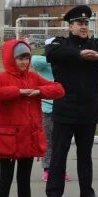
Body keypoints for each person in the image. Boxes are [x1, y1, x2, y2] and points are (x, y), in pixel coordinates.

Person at [0, 40, 65, 197]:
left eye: (26, 58)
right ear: (11, 58)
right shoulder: (1, 77)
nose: (24, 62)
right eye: (20, 58)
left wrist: (39, 91)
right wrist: (17, 92)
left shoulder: (33, 77)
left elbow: (59, 89)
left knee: (24, 182)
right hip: (8, 139)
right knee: (5, 180)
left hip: (28, 139)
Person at [44, 5, 98, 197]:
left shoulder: (96, 44)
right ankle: (54, 193)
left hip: (88, 109)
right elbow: (52, 53)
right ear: (70, 26)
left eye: (86, 23)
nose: (84, 27)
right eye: (79, 23)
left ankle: (87, 192)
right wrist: (79, 55)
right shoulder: (60, 43)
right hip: (65, 109)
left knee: (85, 155)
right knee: (59, 153)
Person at [31, 38, 69, 183]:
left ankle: (60, 169)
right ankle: (47, 169)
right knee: (48, 141)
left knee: (61, 142)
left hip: (63, 107)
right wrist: (58, 58)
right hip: (47, 109)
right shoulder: (42, 62)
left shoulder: (64, 64)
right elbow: (34, 60)